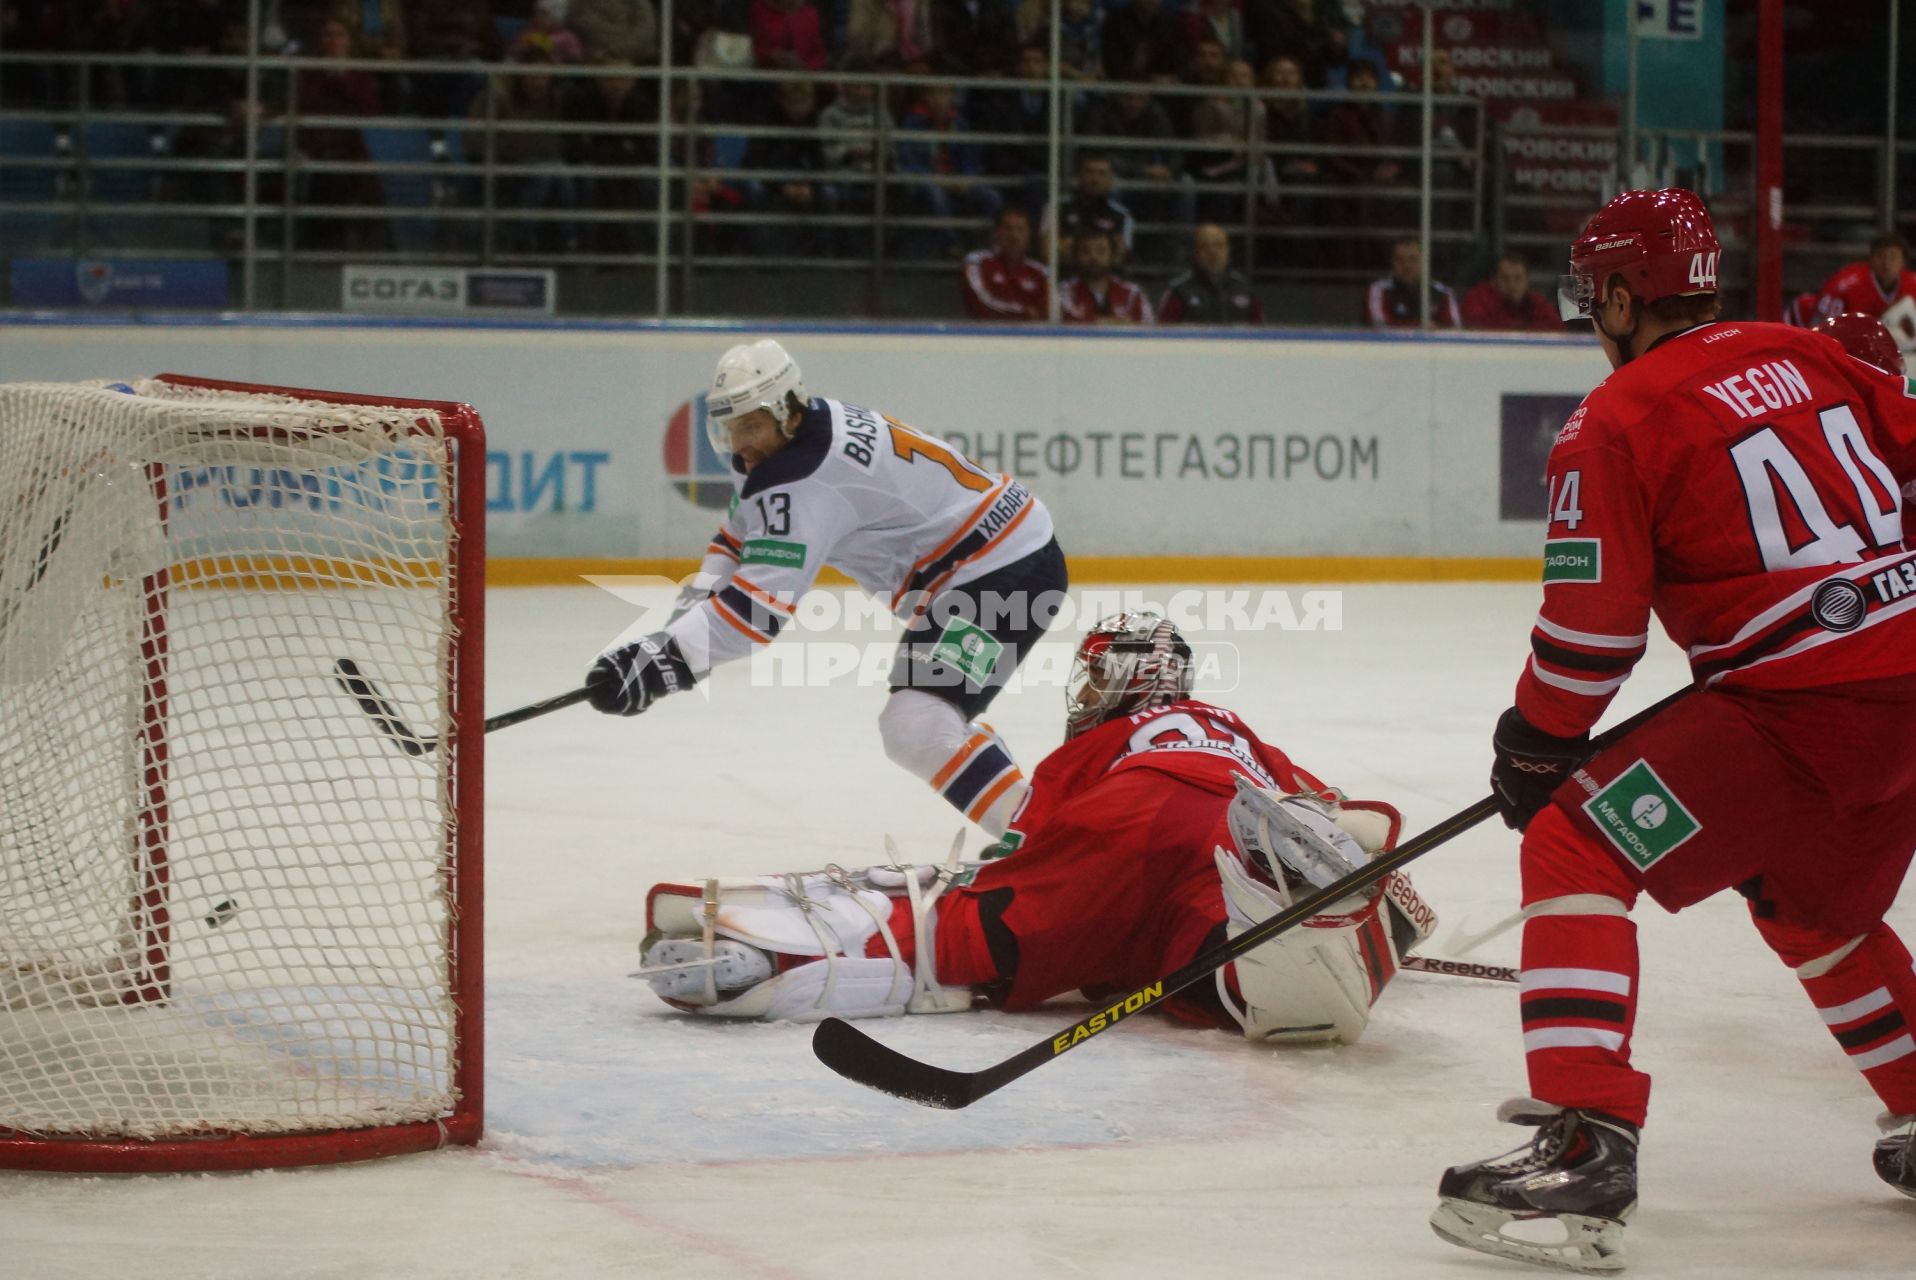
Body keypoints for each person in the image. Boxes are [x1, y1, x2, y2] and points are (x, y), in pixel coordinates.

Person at [1432, 188, 1916, 1274]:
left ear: (1614, 292)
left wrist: (1533, 740)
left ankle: (1583, 1136)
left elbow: (1589, 632)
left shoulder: (1612, 419)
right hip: (1902, 689)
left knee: (1572, 838)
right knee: (1816, 907)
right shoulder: (1805, 351)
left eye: (1588, 296)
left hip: (1799, 709)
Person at [636, 613, 1437, 1043]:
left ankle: (761, 956)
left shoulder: (1102, 745)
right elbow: (1328, 807)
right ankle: (1281, 956)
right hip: (1235, 844)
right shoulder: (1235, 728)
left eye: (1095, 673)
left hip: (1140, 816)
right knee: (1188, 967)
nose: (1085, 691)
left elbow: (1033, 847)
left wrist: (995, 878)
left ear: (1127, 679)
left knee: (966, 922)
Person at [586, 341, 1066, 836]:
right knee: (931, 724)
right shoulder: (790, 442)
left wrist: (665, 660)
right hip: (987, 564)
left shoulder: (803, 479)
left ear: (787, 411)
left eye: (751, 424)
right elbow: (736, 541)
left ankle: (1046, 843)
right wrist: (671, 642)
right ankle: (1035, 829)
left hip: (1006, 576)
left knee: (917, 725)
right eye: (729, 427)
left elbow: (752, 615)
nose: (739, 442)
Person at [1787, 231, 1916, 328]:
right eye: (1880, 256)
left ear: (1903, 262)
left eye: (1893, 257)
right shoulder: (1845, 285)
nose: (1886, 264)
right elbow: (1823, 328)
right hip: (1804, 327)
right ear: (1870, 259)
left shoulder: (1912, 284)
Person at [1158, 223, 1264, 324]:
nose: (1213, 252)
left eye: (1219, 245)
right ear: (1195, 253)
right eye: (1205, 246)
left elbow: (1261, 335)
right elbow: (1161, 336)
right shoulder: (1179, 291)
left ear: (1228, 251)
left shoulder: (1245, 289)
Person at [960, 204, 1050, 320]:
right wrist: (1023, 312)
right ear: (996, 233)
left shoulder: (1041, 272)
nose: (1014, 236)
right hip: (984, 334)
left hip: (1030, 336)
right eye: (1008, 229)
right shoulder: (977, 262)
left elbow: (1049, 310)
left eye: (1020, 229)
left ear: (1029, 235)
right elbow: (980, 304)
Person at [1059, 228, 1154, 325]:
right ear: (1076, 256)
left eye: (1101, 251)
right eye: (1085, 251)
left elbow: (1150, 329)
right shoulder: (1063, 291)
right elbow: (1065, 324)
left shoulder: (1132, 293)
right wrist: (1118, 323)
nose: (1093, 257)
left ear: (1112, 255)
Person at [1365, 237, 1461, 328]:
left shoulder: (1443, 292)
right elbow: (1379, 327)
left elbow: (1454, 328)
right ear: (1392, 262)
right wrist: (1420, 327)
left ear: (1424, 261)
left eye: (1413, 259)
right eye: (1400, 260)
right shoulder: (1379, 290)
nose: (1406, 265)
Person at [1460, 253, 1557, 332]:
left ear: (1527, 281)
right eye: (1505, 278)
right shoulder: (1478, 299)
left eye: (1517, 278)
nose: (1511, 284)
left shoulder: (1536, 302)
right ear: (1494, 280)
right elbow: (1476, 329)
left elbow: (1557, 328)